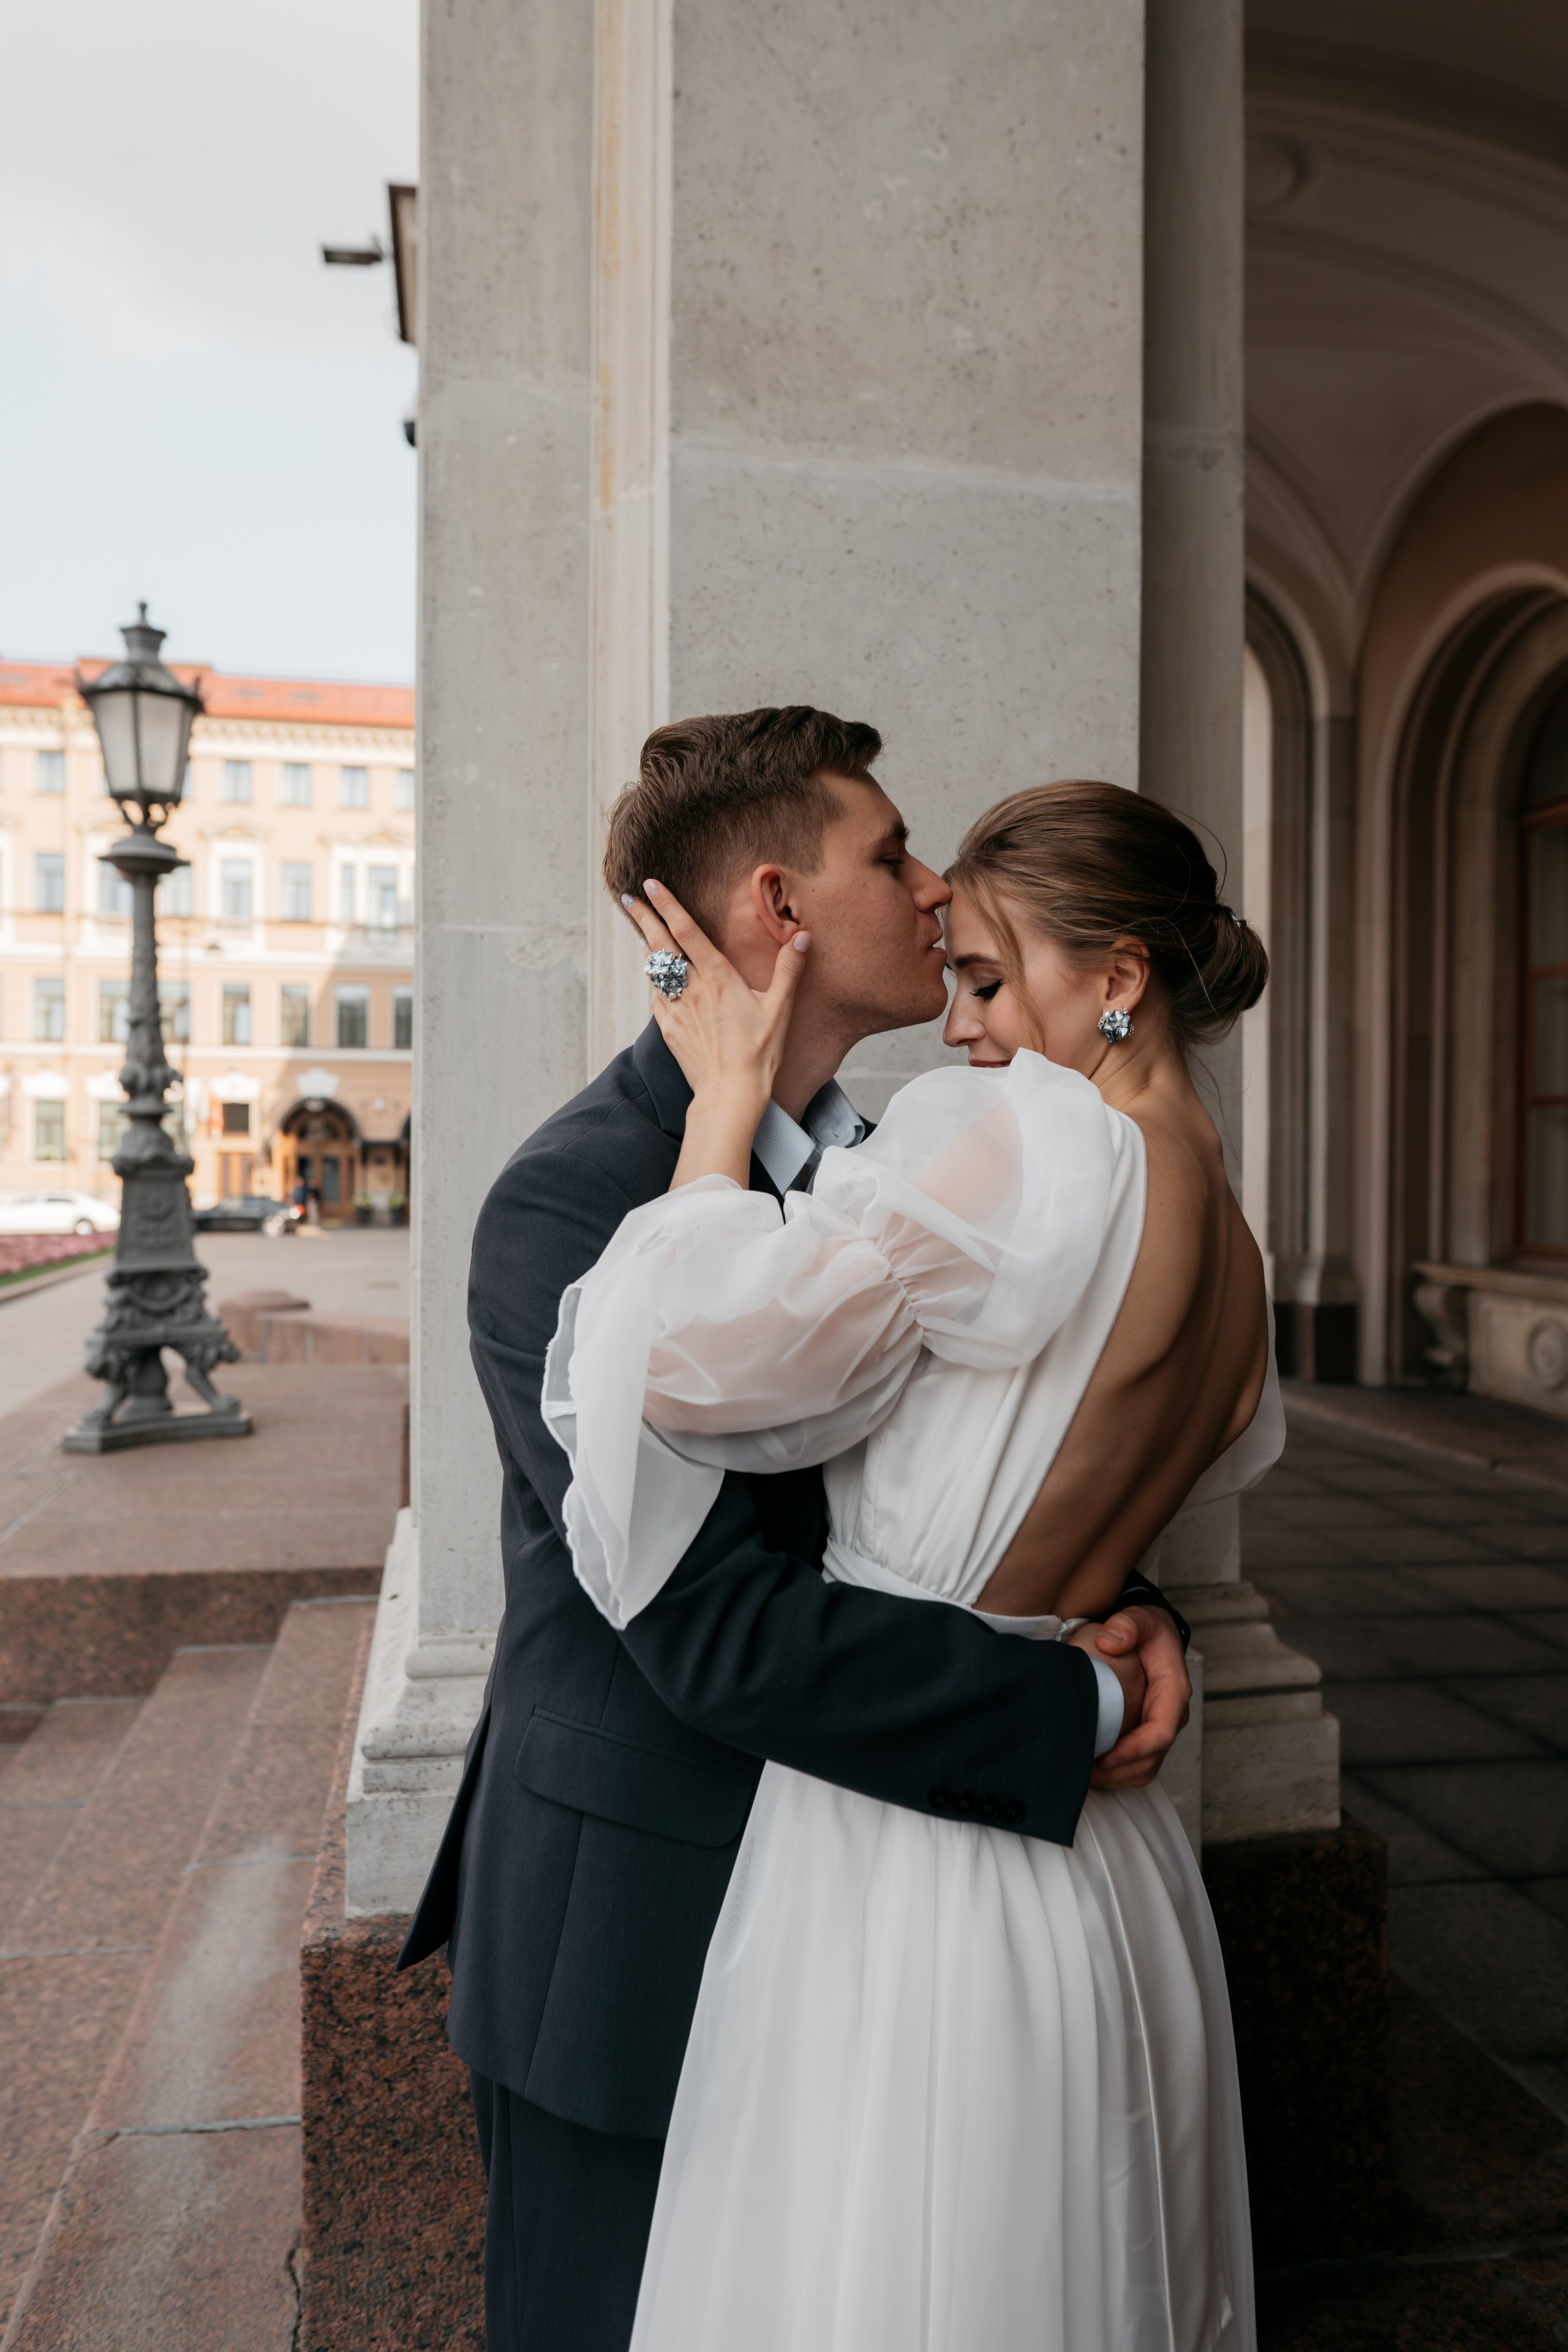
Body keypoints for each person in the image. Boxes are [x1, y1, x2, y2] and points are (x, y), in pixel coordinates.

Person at [398, 710, 1193, 2352]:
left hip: (861, 1914)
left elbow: (971, 1471)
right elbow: (712, 1627)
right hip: (639, 1931)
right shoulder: (569, 1201)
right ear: (780, 906)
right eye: (889, 854)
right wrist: (1073, 1698)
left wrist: (1119, 1603)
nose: (933, 886)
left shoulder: (903, 1168)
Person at [552, 775, 1280, 2351]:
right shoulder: (1231, 1233)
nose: (959, 1032)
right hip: (1113, 1871)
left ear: (1119, 977)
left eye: (986, 982)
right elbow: (1071, 1502)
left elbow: (675, 1361)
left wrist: (721, 1111)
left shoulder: (1038, 1141)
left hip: (914, 1862)